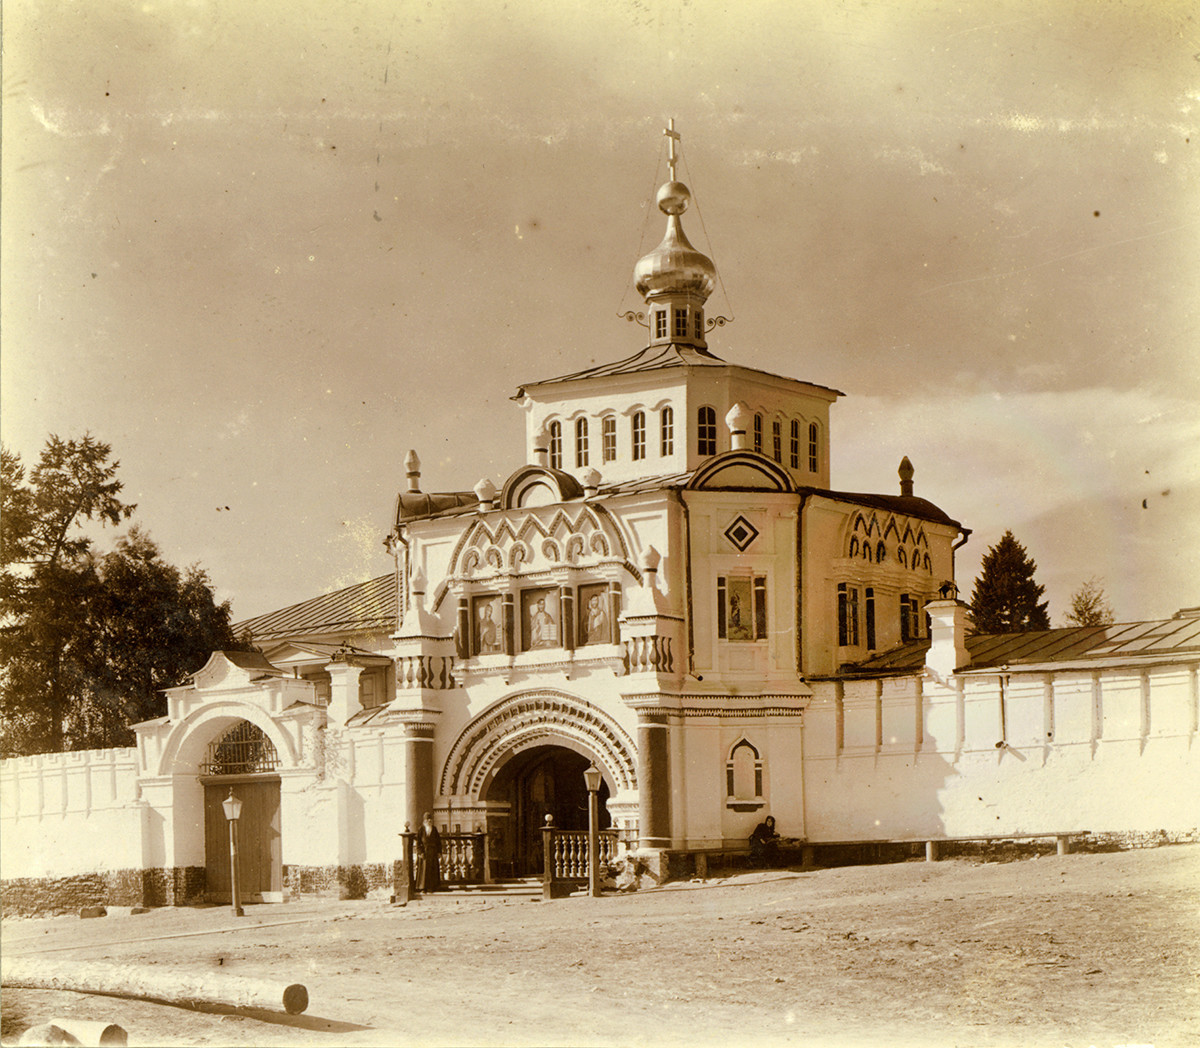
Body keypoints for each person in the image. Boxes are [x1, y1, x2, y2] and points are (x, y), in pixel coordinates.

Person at [415, 812, 442, 893]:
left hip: (433, 853)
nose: (429, 821)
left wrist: (439, 852)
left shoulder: (434, 829)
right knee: (424, 871)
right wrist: (420, 852)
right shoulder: (421, 829)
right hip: (424, 853)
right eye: (427, 819)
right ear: (424, 820)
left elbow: (438, 842)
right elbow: (418, 842)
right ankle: (423, 888)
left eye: (430, 819)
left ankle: (431, 887)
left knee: (432, 870)